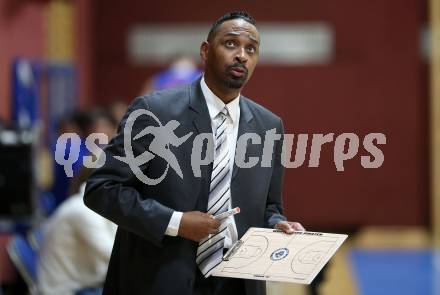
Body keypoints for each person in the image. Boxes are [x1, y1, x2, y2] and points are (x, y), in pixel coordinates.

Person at [84, 11, 304, 295]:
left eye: (251, 49)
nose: (241, 55)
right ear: (205, 50)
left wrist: (278, 226)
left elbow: (269, 209)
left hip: (237, 284)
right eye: (230, 44)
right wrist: (175, 223)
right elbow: (102, 189)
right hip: (159, 279)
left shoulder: (269, 126)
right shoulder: (154, 112)